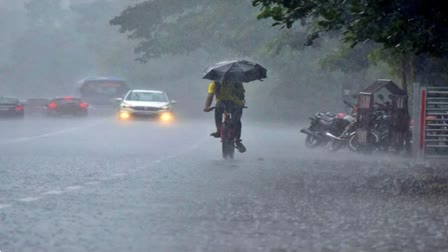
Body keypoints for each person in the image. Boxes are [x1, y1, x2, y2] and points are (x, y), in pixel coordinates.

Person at [203, 80, 246, 153]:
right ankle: (237, 140)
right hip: (235, 103)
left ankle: (219, 130)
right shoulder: (237, 81)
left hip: (221, 103)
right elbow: (242, 95)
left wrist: (207, 106)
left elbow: (210, 95)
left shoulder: (214, 83)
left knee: (218, 111)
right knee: (237, 119)